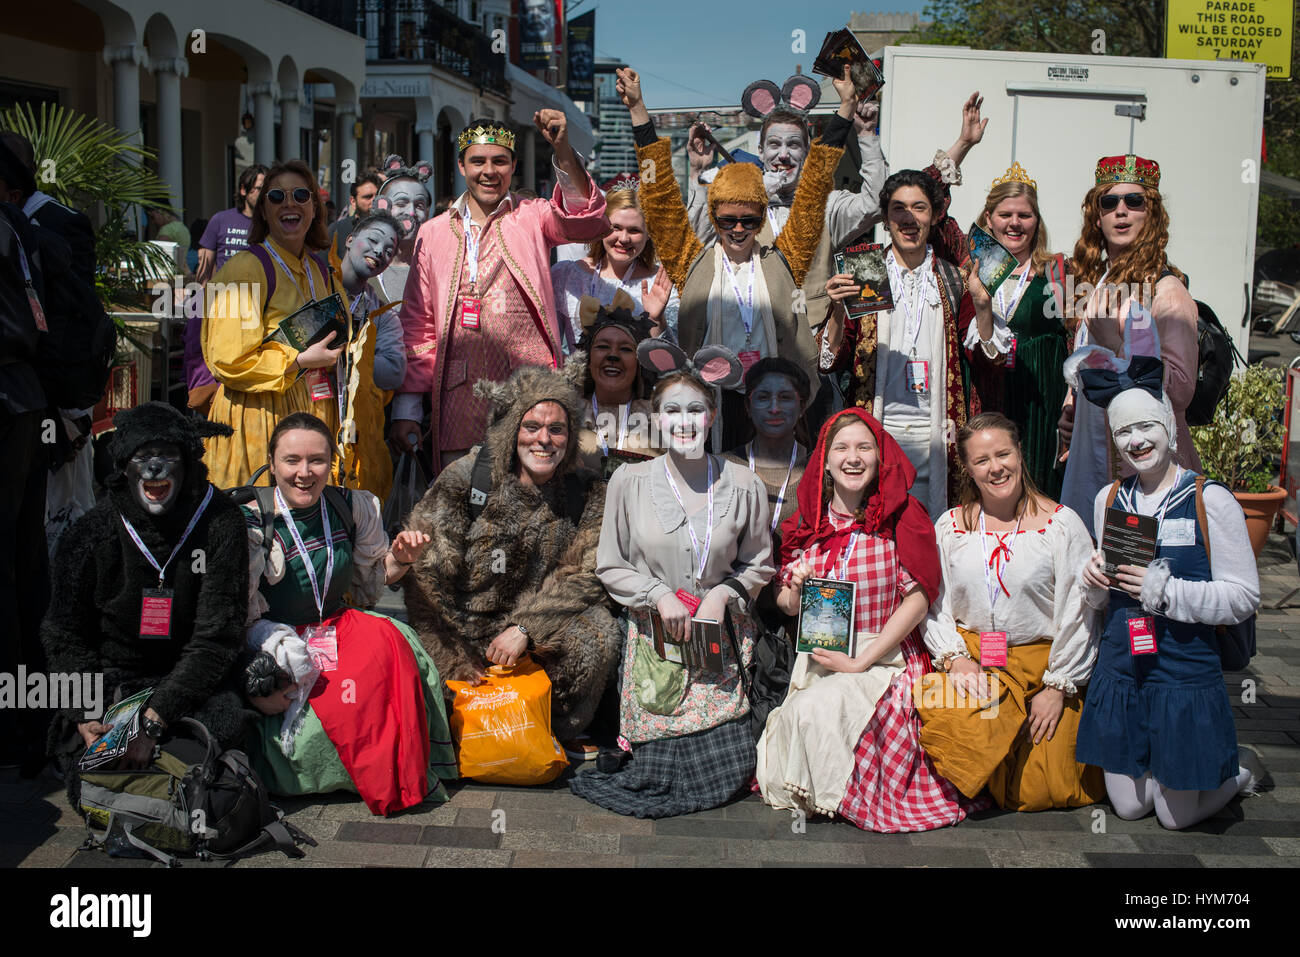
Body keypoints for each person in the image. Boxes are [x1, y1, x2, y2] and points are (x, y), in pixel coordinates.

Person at [573, 341, 773, 817]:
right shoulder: (629, 481)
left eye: (695, 410)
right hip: (657, 642)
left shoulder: (743, 483)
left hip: (719, 641)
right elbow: (610, 563)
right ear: (656, 418)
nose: (684, 421)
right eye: (672, 411)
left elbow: (760, 562)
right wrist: (659, 593)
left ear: (712, 415)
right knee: (658, 773)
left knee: (727, 765)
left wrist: (722, 595)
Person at [755, 407, 968, 831]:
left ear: (880, 456)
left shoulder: (902, 517)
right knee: (800, 720)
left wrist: (862, 660)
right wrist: (795, 586)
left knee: (814, 711)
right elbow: (787, 607)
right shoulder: (807, 523)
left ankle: (842, 794)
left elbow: (919, 600)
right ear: (826, 460)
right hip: (819, 655)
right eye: (842, 448)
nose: (853, 458)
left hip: (884, 658)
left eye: (864, 447)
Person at [616, 65, 848, 450]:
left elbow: (816, 184)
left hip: (776, 400)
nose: (738, 229)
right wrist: (639, 111)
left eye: (749, 220)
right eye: (727, 220)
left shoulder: (784, 254)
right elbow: (658, 199)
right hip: (711, 402)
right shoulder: (692, 259)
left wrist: (846, 108)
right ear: (714, 218)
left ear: (761, 217)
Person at [239, 412, 456, 816]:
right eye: (292, 461)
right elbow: (235, 618)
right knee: (330, 698)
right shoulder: (250, 522)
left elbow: (370, 587)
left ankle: (393, 773)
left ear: (331, 462)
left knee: (389, 644)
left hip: (336, 623)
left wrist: (401, 558)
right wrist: (261, 657)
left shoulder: (350, 506)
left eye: (317, 460)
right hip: (271, 636)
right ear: (272, 464)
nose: (305, 473)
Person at [1074, 359, 1259, 829]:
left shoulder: (1210, 499)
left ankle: (1235, 774)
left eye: (1145, 427)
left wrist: (1171, 592)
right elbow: (1103, 598)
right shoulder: (1108, 499)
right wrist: (1094, 582)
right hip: (1123, 667)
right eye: (1123, 432)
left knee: (1175, 820)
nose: (1135, 441)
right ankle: (1174, 767)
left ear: (1168, 429)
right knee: (1132, 807)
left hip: (1182, 671)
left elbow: (1244, 596)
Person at [401, 365, 622, 748]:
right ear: (510, 430)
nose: (544, 440)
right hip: (461, 637)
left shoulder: (585, 492)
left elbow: (586, 575)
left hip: (531, 639)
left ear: (570, 437)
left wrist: (525, 629)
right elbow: (427, 583)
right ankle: (470, 727)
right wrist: (454, 660)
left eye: (557, 429)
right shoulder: (467, 479)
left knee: (599, 630)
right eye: (531, 426)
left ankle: (549, 731)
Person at [41, 404, 254, 794]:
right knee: (96, 771)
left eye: (168, 456)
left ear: (188, 462)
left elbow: (217, 636)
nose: (155, 468)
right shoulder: (91, 532)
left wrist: (155, 720)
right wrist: (87, 714)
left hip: (189, 684)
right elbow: (64, 636)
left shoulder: (221, 520)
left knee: (207, 759)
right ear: (125, 465)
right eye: (143, 457)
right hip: (112, 683)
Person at [391, 116, 610, 474]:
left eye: (499, 161)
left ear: (513, 166)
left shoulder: (532, 215)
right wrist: (408, 408)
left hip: (531, 386)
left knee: (535, 499)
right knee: (461, 500)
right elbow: (419, 322)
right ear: (461, 165)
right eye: (478, 161)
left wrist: (563, 150)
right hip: (459, 393)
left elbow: (586, 218)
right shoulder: (432, 233)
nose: (488, 171)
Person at [915, 412, 1105, 811]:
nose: (996, 467)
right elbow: (934, 603)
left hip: (1042, 666)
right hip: (975, 661)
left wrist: (1059, 686)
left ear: (1020, 453)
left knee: (1045, 788)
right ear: (967, 468)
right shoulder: (950, 527)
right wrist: (953, 659)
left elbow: (1081, 610)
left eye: (1003, 454)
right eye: (982, 460)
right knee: (957, 737)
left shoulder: (1061, 525)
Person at [685, 87, 986, 327]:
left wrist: (867, 135)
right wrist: (699, 171)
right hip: (751, 333)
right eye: (775, 145)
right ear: (761, 151)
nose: (784, 155)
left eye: (793, 145)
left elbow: (877, 201)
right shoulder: (741, 208)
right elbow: (697, 240)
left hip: (815, 343)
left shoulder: (829, 205)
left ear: (807, 152)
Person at [820, 169, 1000, 519]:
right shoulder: (865, 269)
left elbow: (986, 361)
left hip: (938, 431)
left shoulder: (953, 278)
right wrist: (837, 311)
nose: (908, 217)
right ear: (886, 218)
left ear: (933, 216)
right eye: (898, 208)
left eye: (919, 207)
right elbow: (831, 361)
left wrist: (982, 306)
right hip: (878, 425)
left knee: (934, 522)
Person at [1058, 155, 1201, 538]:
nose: (1121, 211)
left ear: (1151, 214)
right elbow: (1086, 363)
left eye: (1134, 201)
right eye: (1109, 202)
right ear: (1097, 216)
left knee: (1135, 583)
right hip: (1090, 461)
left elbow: (1180, 389)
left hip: (1141, 472)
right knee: (1090, 575)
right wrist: (1071, 406)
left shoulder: (1167, 292)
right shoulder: (1098, 283)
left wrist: (1114, 345)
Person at [202, 159, 346, 489]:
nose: (289, 204)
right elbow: (228, 360)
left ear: (314, 208)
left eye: (300, 194)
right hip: (258, 418)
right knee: (260, 526)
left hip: (312, 413)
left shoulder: (321, 271)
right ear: (263, 210)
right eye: (277, 197)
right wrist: (297, 361)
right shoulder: (245, 269)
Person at [968, 164, 1070, 499]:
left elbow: (1077, 338)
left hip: (1040, 401)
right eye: (1005, 214)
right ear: (989, 217)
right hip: (988, 397)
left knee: (1037, 491)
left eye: (1025, 215)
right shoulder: (968, 271)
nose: (1015, 223)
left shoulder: (1057, 271)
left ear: (1036, 221)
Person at [0, 146, 51, 771]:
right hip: (26, 404)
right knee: (21, 560)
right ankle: (27, 723)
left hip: (14, 404)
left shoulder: (23, 230)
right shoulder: (31, 229)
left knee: (13, 564)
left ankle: (19, 725)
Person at [332, 210, 406, 500]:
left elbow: (394, 369)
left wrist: (343, 358)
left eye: (389, 250)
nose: (380, 251)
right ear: (350, 240)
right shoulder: (316, 287)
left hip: (359, 435)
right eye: (373, 240)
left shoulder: (382, 315)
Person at [550, 184, 677, 345]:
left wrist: (656, 319)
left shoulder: (660, 285)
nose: (624, 238)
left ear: (649, 235)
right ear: (601, 227)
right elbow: (549, 347)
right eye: (615, 228)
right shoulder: (566, 275)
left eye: (634, 230)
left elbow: (669, 360)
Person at [187, 164, 268, 413]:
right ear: (243, 190)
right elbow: (205, 266)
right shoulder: (221, 220)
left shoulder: (269, 225)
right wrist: (203, 303)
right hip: (221, 306)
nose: (263, 194)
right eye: (258, 188)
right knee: (213, 366)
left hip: (257, 308)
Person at [570, 291, 660, 474]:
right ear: (586, 359)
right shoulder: (566, 417)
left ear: (639, 364)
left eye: (626, 349)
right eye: (603, 347)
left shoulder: (659, 420)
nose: (612, 356)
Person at [327, 168, 383, 259]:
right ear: (353, 201)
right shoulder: (336, 231)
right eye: (367, 197)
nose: (374, 200)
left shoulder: (392, 232)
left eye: (378, 196)